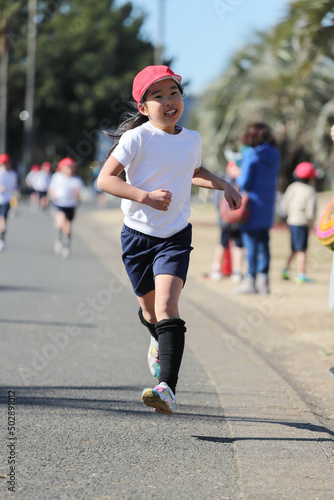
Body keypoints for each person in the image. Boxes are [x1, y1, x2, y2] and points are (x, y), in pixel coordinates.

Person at [97, 65, 242, 415]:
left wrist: (224, 184)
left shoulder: (192, 139)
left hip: (175, 236)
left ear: (182, 97)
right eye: (157, 96)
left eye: (173, 92)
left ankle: (167, 389)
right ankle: (156, 338)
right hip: (136, 237)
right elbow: (105, 179)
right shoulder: (138, 138)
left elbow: (193, 172)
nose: (168, 101)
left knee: (166, 307)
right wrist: (144, 196)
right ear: (144, 107)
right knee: (149, 311)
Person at [229, 122, 281, 294]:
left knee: (251, 245)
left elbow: (245, 182)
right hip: (267, 205)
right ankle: (264, 282)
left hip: (250, 206)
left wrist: (237, 174)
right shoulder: (274, 154)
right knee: (264, 244)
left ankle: (250, 281)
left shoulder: (251, 154)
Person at [205, 161, 244, 282]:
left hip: (238, 221)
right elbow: (217, 202)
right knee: (222, 244)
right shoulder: (223, 183)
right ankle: (216, 269)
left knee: (238, 245)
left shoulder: (242, 182)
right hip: (226, 221)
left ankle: (237, 271)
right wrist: (222, 216)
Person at [281, 162, 317, 283]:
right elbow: (311, 211)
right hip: (302, 223)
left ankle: (285, 270)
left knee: (294, 248)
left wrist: (288, 215)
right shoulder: (310, 190)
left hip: (292, 221)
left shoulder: (292, 187)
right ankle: (301, 274)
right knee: (302, 249)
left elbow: (284, 203)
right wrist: (312, 223)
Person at [48, 157, 84, 258]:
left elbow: (79, 195)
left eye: (72, 167)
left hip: (71, 206)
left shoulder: (77, 180)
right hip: (59, 204)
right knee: (61, 221)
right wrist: (53, 195)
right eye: (68, 167)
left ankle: (66, 246)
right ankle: (59, 238)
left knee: (67, 227)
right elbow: (52, 189)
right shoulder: (57, 177)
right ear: (62, 168)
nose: (70, 170)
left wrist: (77, 195)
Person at [0, 154, 19, 251]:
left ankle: (1, 240)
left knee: (2, 221)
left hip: (5, 201)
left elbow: (14, 187)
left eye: (6, 163)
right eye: (3, 164)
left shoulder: (13, 174)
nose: (5, 165)